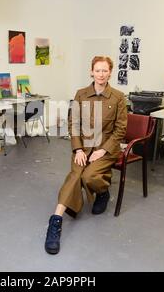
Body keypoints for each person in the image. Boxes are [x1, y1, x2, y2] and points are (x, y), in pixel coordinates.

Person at [44, 56, 127, 255]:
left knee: (89, 177)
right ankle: (55, 221)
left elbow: (120, 129)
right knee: (76, 175)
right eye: (97, 70)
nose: (101, 74)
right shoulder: (81, 94)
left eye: (105, 70)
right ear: (91, 72)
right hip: (84, 146)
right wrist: (78, 149)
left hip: (105, 148)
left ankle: (103, 190)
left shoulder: (118, 97)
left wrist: (103, 150)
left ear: (110, 72)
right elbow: (73, 124)